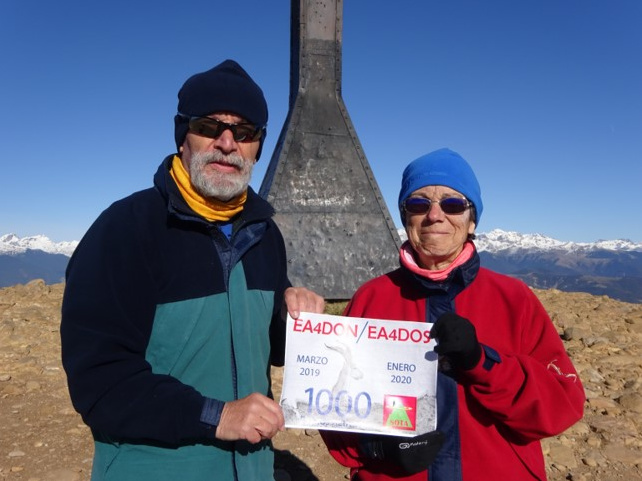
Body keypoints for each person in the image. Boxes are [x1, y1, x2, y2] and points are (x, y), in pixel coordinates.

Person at [60, 59, 325, 481]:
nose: (227, 143)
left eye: (244, 132)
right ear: (183, 135)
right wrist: (215, 416)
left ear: (257, 145)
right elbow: (99, 381)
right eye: (208, 126)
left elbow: (270, 350)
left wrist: (293, 316)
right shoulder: (126, 229)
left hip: (252, 468)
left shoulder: (264, 234)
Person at [320, 148, 585, 480]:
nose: (434, 215)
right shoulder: (372, 299)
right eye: (418, 204)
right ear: (405, 218)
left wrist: (483, 363)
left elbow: (562, 405)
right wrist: (376, 448)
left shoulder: (513, 299)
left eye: (453, 204)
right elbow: (330, 404)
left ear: (472, 220)